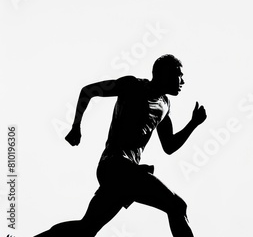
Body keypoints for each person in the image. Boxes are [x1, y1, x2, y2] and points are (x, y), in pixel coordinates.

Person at [35, 54, 206, 237]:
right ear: (164, 74)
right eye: (178, 75)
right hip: (116, 166)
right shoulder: (132, 85)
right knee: (177, 206)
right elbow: (88, 91)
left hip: (123, 173)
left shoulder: (164, 104)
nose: (183, 81)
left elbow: (169, 146)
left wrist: (193, 124)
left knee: (86, 228)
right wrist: (76, 126)